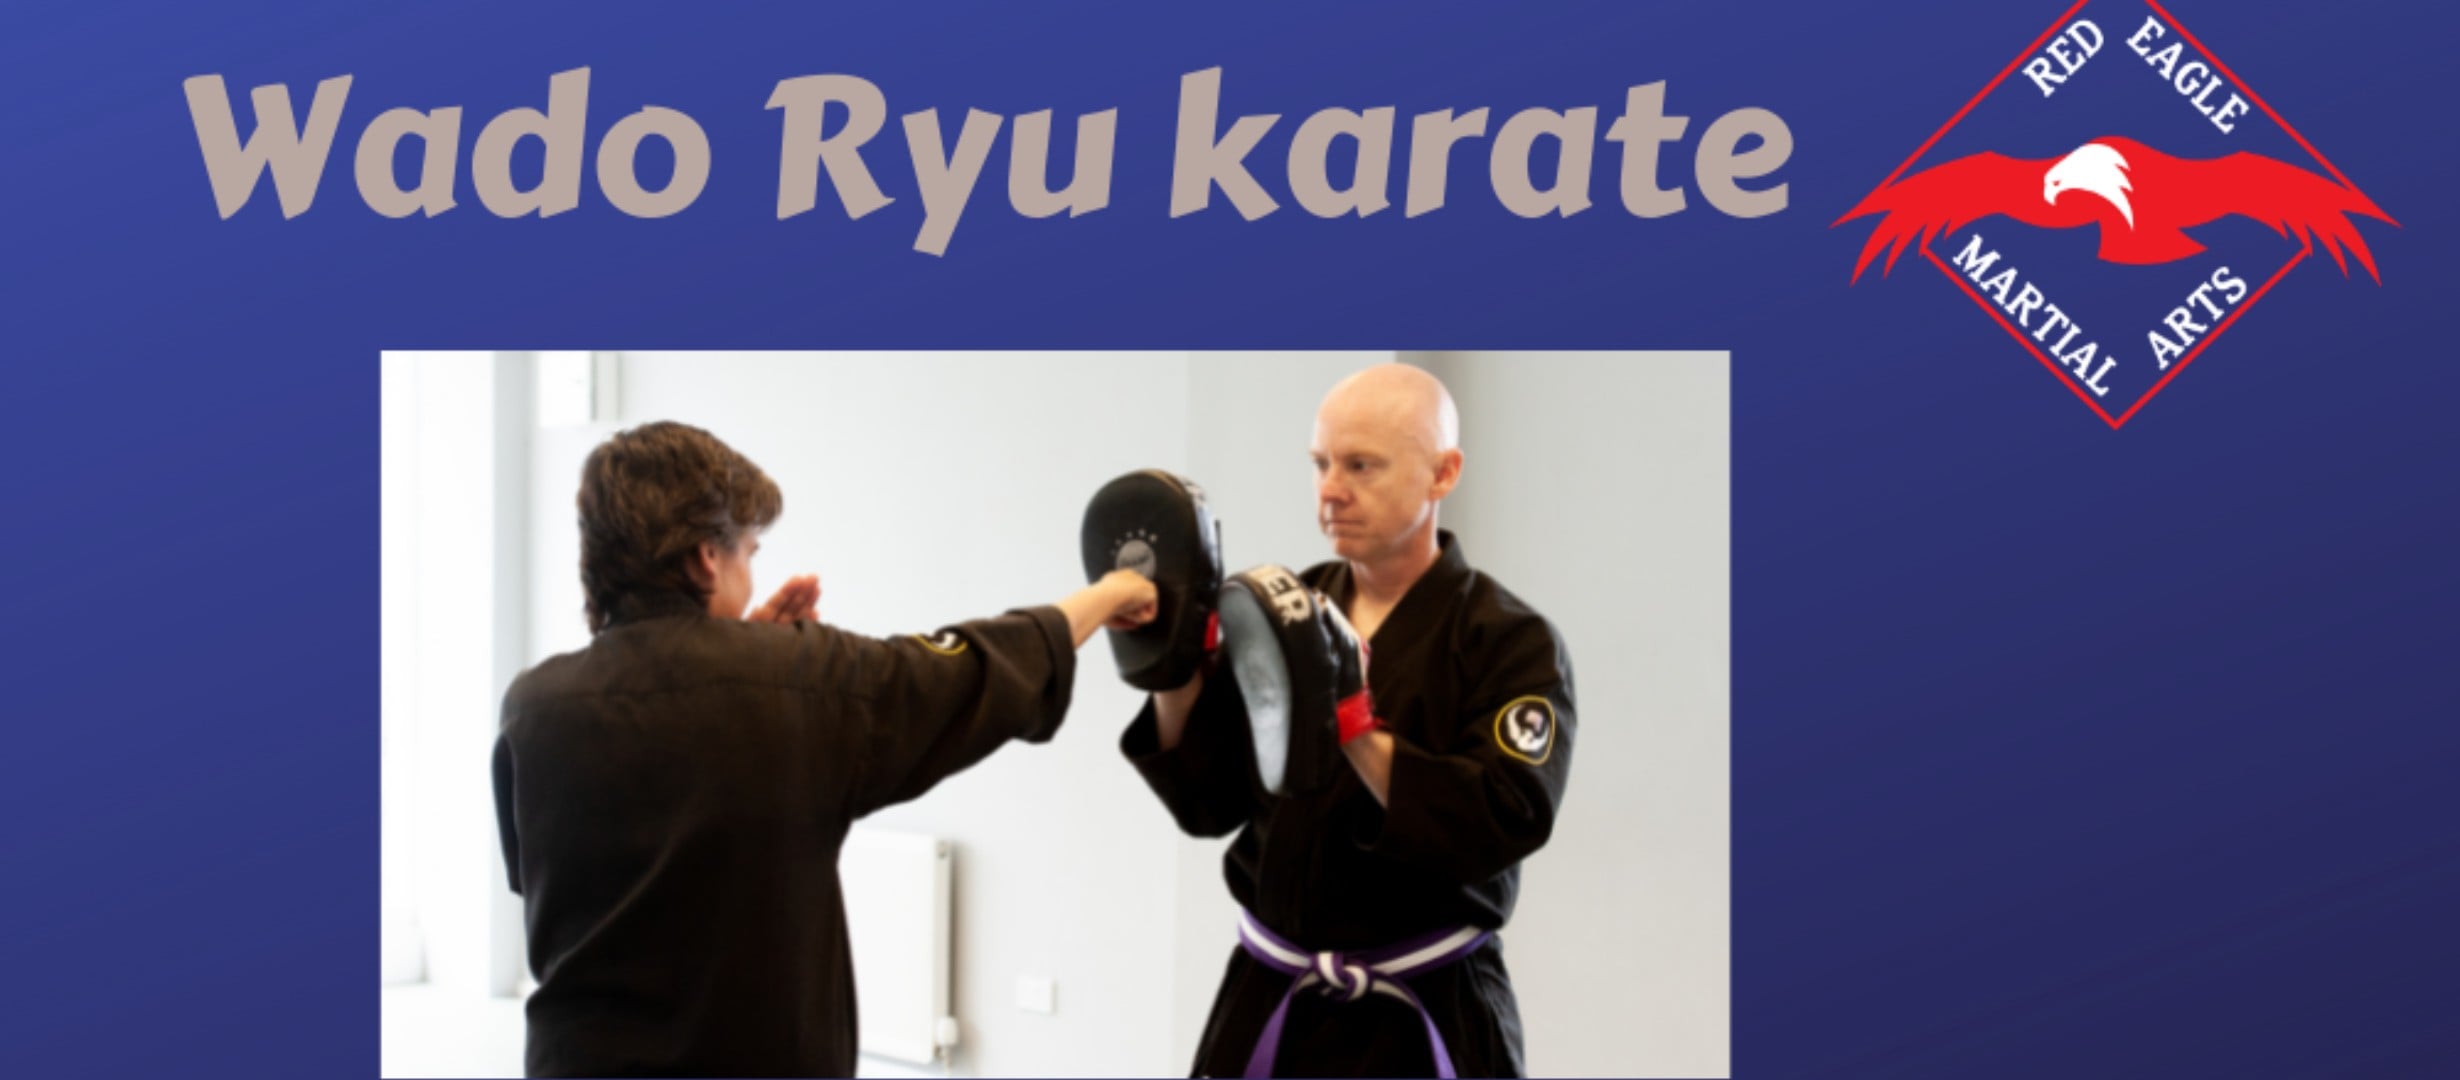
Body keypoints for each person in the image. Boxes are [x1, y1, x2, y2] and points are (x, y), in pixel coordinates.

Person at [491, 421, 1156, 1078]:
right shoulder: (800, 680)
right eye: (749, 551)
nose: (753, 573)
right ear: (706, 556)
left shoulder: (533, 709)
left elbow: (553, 882)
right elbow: (970, 671)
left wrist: (747, 661)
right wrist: (1105, 596)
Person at [1121, 364, 1576, 1078]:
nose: (1331, 489)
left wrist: (1355, 721)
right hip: (1271, 1000)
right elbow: (1208, 804)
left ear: (1442, 473)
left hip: (1425, 1014)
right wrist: (1167, 667)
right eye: (1321, 464)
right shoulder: (1280, 611)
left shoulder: (1510, 641)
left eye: (1361, 465)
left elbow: (1505, 816)